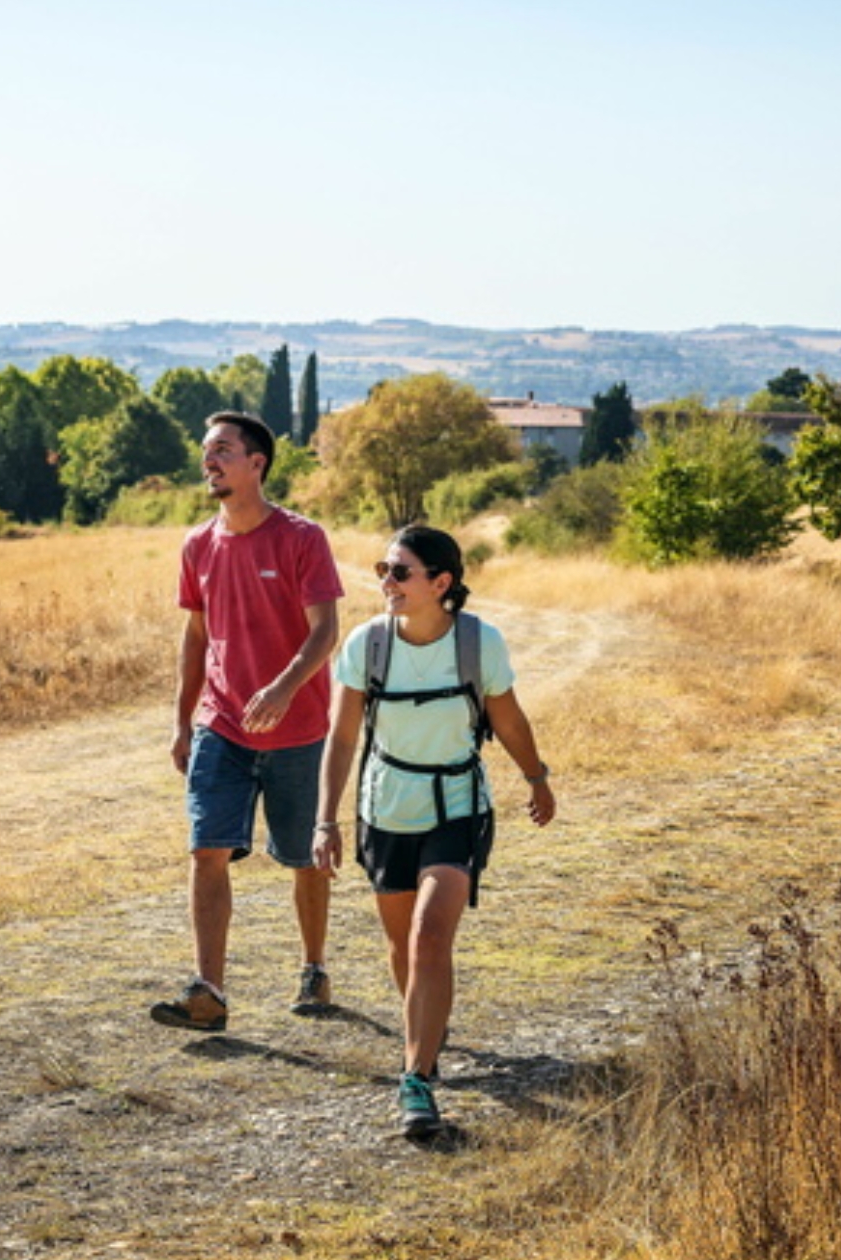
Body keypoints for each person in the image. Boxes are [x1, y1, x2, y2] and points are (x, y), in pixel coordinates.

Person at [314, 524, 555, 1135]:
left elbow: (508, 718)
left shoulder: (478, 643)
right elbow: (341, 738)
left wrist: (536, 777)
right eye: (383, 570)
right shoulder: (367, 646)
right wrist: (325, 820)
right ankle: (427, 1031)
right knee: (403, 948)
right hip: (387, 808)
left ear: (441, 583)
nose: (386, 583)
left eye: (400, 572)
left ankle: (415, 1077)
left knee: (428, 937)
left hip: (457, 805)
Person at [150, 411, 345, 1032]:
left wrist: (286, 687)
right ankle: (208, 992)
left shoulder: (300, 538)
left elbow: (326, 631)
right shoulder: (198, 545)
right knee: (207, 848)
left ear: (256, 463)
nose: (209, 461)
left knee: (303, 859)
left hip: (299, 729)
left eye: (223, 451)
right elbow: (196, 636)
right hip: (222, 724)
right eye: (207, 452)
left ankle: (314, 966)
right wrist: (183, 721)